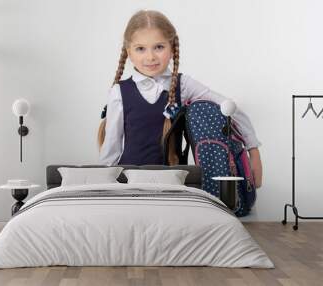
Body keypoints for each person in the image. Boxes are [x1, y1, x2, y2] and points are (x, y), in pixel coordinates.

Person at [98, 10, 263, 188]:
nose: (150, 57)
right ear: (129, 52)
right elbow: (111, 147)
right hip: (128, 182)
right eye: (140, 49)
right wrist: (105, 186)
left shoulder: (183, 85)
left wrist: (253, 152)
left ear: (172, 48)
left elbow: (228, 107)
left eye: (159, 47)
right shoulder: (119, 92)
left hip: (172, 184)